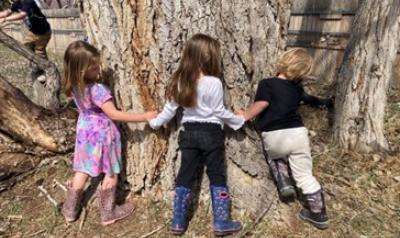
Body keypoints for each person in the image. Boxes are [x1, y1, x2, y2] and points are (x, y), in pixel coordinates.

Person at [149, 33, 245, 236]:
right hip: (211, 133)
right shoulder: (214, 82)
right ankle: (221, 221)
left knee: (185, 174)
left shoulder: (180, 82)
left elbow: (169, 111)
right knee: (217, 174)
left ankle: (177, 221)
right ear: (209, 58)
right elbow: (219, 112)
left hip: (189, 133)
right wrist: (238, 120)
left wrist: (155, 122)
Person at [61, 40, 157, 226]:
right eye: (94, 66)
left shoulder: (73, 87)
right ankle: (108, 212)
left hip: (84, 133)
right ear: (82, 71)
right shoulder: (98, 90)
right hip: (104, 134)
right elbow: (114, 114)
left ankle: (70, 210)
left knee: (82, 169)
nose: (99, 68)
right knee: (111, 170)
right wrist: (145, 116)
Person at [237, 48, 331, 229]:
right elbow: (309, 99)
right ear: (303, 72)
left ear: (283, 61)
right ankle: (319, 214)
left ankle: (284, 180)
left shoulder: (267, 83)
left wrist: (245, 115)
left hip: (274, 135)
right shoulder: (297, 89)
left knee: (275, 156)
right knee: (305, 175)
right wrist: (324, 103)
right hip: (298, 134)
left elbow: (262, 103)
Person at [0, 0, 52, 81]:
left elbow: (22, 15)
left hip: (43, 33)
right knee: (26, 46)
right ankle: (36, 65)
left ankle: (45, 72)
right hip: (33, 32)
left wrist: (6, 19)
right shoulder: (17, 4)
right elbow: (7, 12)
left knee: (39, 51)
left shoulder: (29, 2)